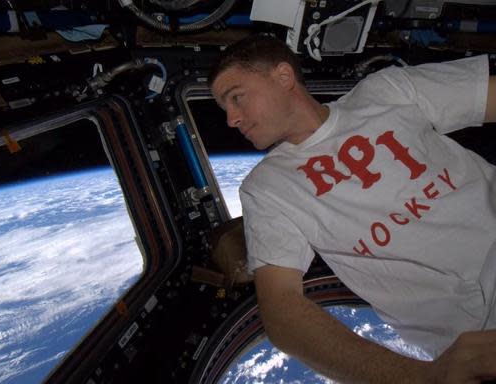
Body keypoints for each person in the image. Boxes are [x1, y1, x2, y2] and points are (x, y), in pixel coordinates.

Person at [209, 34, 496, 383]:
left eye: (236, 98)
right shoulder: (267, 189)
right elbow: (282, 310)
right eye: (225, 109)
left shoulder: (387, 89)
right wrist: (425, 377)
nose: (231, 119)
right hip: (482, 338)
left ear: (283, 78)